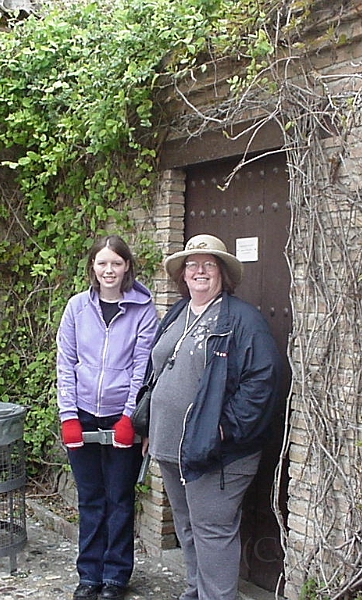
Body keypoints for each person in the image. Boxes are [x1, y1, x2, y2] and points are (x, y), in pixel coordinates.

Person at [143, 233, 284, 600]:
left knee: (213, 531)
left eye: (209, 264)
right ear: (183, 274)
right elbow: (158, 369)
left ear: (223, 273)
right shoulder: (178, 311)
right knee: (188, 526)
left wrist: (223, 430)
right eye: (192, 264)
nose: (200, 270)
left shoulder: (241, 319)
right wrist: (148, 424)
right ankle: (196, 591)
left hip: (217, 452)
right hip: (170, 445)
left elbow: (263, 380)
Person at [56, 234, 159, 600]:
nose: (109, 270)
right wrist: (69, 416)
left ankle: (115, 575)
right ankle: (89, 574)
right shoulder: (76, 309)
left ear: (127, 266)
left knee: (119, 497)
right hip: (83, 414)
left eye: (116, 263)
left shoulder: (144, 311)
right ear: (93, 268)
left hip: (120, 417)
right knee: (90, 498)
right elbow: (66, 364)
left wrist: (129, 417)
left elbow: (141, 367)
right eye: (102, 263)